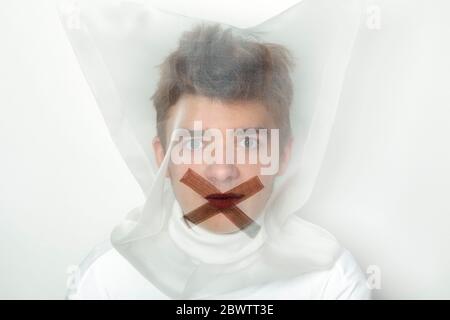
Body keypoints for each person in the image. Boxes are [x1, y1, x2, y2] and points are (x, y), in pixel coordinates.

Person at [67, 24, 371, 300]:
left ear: (283, 155)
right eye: (197, 144)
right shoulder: (107, 280)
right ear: (163, 157)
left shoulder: (329, 280)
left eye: (249, 143)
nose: (223, 171)